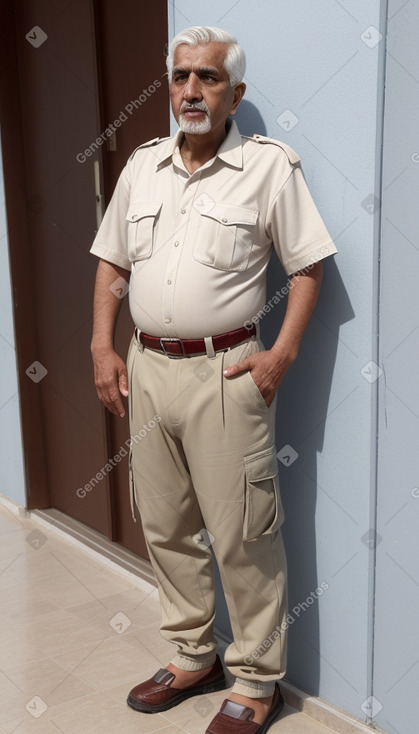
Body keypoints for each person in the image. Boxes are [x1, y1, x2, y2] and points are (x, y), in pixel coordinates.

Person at [90, 25, 337, 734]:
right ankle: (193, 654)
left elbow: (307, 265)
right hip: (146, 367)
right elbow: (112, 264)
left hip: (226, 371)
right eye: (179, 77)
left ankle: (255, 681)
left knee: (243, 534)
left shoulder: (266, 167)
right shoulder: (142, 165)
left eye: (206, 77)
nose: (190, 91)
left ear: (236, 92)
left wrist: (280, 354)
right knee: (164, 525)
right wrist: (101, 350)